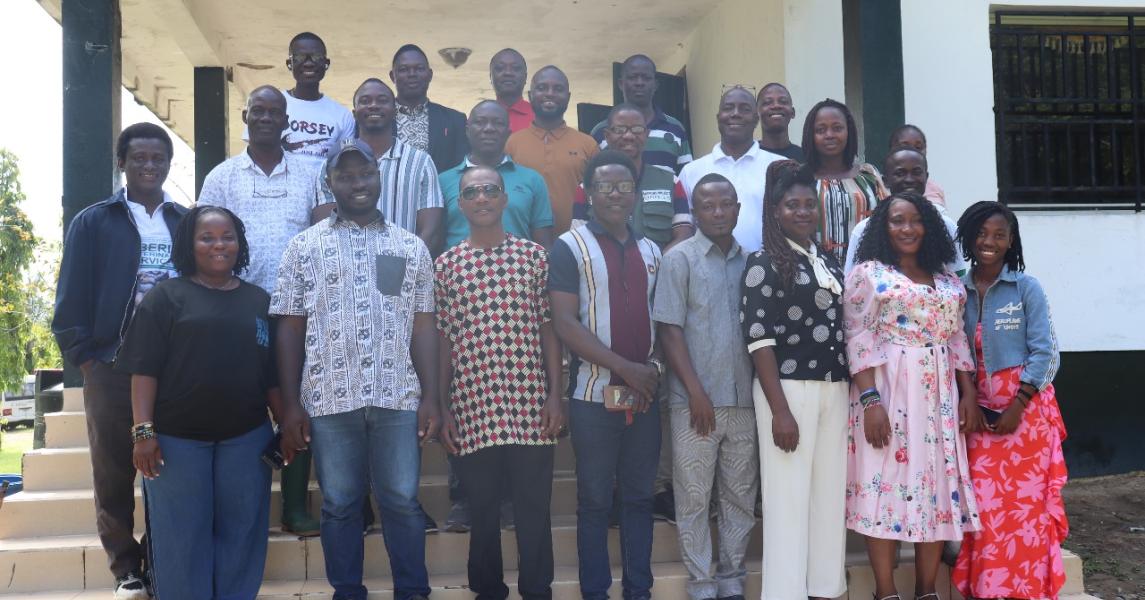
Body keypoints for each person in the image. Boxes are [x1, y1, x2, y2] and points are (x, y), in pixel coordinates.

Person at [271, 139, 440, 600]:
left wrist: (430, 397)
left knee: (402, 501)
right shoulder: (303, 248)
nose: (357, 183)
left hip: (397, 395)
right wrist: (290, 404)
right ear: (330, 182)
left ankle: (413, 591)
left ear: (379, 177)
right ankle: (347, 591)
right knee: (341, 503)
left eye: (365, 173)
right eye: (345, 176)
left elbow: (424, 327)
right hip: (328, 397)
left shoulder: (410, 247)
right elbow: (288, 329)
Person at [117, 206, 293, 600]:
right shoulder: (166, 298)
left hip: (246, 439)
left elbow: (270, 375)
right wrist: (143, 432)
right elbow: (143, 371)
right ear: (189, 244)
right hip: (177, 441)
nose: (218, 245)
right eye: (206, 237)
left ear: (239, 243)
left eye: (227, 236)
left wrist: (283, 425)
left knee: (242, 530)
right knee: (181, 535)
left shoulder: (257, 301)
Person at [52, 122, 188, 600]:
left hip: (172, 369)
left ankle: (158, 559)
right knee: (113, 471)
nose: (149, 166)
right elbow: (69, 300)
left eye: (158, 159)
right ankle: (125, 569)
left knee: (169, 467)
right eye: (139, 159)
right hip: (111, 366)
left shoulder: (182, 220)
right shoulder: (95, 221)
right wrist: (87, 361)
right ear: (122, 163)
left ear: (169, 165)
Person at [844, 191, 984, 600]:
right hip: (887, 393)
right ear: (882, 229)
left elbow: (957, 339)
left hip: (938, 397)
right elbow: (857, 336)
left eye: (915, 220)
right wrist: (871, 402)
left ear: (930, 226)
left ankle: (926, 590)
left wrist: (967, 394)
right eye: (897, 221)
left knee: (936, 489)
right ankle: (885, 592)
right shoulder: (868, 274)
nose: (907, 228)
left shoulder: (947, 280)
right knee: (882, 488)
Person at [197, 85, 323, 536]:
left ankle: (293, 505)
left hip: (300, 313)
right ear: (245, 117)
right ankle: (236, 508)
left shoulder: (312, 172)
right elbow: (202, 243)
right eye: (258, 111)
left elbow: (326, 235)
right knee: (243, 405)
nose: (267, 118)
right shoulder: (221, 177)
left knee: (297, 403)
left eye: (275, 111)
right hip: (237, 311)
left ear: (287, 120)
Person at [436, 165, 565, 600]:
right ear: (461, 204)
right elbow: (444, 342)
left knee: (533, 511)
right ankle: (488, 590)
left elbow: (549, 328)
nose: (482, 198)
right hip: (473, 408)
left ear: (505, 199)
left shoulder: (533, 257)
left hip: (530, 406)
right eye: (472, 192)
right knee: (483, 512)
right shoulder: (447, 266)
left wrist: (554, 395)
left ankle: (536, 590)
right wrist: (444, 408)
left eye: (491, 189)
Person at [549, 150, 664, 600]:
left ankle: (639, 590)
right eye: (605, 187)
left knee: (638, 499)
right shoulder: (568, 246)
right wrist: (625, 369)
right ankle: (594, 591)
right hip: (592, 398)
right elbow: (564, 323)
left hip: (645, 397)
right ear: (589, 193)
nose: (615, 195)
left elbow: (663, 321)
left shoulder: (652, 250)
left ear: (635, 194)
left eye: (624, 187)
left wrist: (650, 371)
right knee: (595, 500)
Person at [742, 160, 848, 600]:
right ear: (775, 210)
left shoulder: (827, 259)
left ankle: (825, 589)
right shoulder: (763, 261)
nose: (802, 211)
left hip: (834, 388)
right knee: (787, 503)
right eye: (792, 205)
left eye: (809, 204)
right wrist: (780, 411)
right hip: (787, 390)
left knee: (827, 500)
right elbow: (758, 340)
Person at [952, 201, 1068, 600]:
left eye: (999, 235)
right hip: (979, 419)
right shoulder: (957, 289)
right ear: (969, 236)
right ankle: (989, 592)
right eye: (982, 233)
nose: (989, 241)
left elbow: (1047, 352)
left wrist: (1017, 405)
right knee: (986, 513)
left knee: (1027, 516)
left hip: (1025, 421)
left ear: (1011, 240)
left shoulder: (1026, 287)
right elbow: (955, 351)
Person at [654, 173, 756, 600]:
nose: (717, 212)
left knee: (740, 497)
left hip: (745, 402)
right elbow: (669, 329)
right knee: (694, 498)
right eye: (708, 206)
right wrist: (695, 391)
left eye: (725, 204)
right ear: (693, 213)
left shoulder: (752, 261)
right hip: (693, 402)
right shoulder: (680, 259)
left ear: (737, 208)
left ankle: (731, 578)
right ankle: (700, 582)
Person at [313, 78, 445, 255]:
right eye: (365, 101)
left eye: (382, 101)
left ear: (394, 111)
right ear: (354, 112)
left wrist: (404, 272)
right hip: (344, 272)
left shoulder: (421, 162)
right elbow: (325, 229)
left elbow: (431, 231)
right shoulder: (331, 165)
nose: (373, 105)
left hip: (402, 272)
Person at [571, 103, 692, 249]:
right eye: (620, 129)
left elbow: (684, 236)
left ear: (646, 135)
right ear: (607, 136)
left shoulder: (671, 183)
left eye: (637, 129)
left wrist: (656, 263)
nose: (628, 136)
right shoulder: (587, 188)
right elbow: (578, 242)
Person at [680, 86, 784, 253]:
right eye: (728, 108)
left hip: (770, 271)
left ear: (756, 119)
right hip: (708, 274)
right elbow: (685, 230)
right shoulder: (691, 172)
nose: (735, 113)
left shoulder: (779, 167)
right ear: (718, 118)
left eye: (744, 109)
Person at [441, 100, 554, 249]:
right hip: (459, 269)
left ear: (508, 133)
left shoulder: (532, 180)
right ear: (467, 131)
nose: (489, 129)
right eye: (480, 122)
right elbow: (436, 238)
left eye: (498, 123)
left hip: (520, 269)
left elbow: (543, 244)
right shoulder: (442, 181)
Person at [843, 147, 966, 276]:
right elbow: (853, 286)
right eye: (900, 173)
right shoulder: (864, 230)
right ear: (885, 181)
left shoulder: (946, 226)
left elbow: (959, 281)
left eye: (916, 172)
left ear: (926, 177)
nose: (909, 179)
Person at [506, 65, 599, 235]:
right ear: (530, 95)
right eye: (542, 88)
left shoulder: (588, 145)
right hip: (524, 246)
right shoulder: (512, 144)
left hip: (577, 246)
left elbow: (598, 198)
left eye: (558, 89)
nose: (550, 93)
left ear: (568, 97)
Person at [243, 32, 355, 164]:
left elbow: (345, 162)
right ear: (289, 63)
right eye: (299, 57)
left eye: (317, 57)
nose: (308, 63)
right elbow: (256, 151)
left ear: (326, 63)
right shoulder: (270, 106)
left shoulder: (342, 115)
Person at [801, 98, 888, 263]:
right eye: (821, 129)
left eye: (837, 128)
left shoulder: (869, 177)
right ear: (811, 135)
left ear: (849, 132)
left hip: (865, 277)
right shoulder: (801, 179)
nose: (829, 135)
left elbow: (886, 226)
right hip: (815, 278)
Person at [591, 54, 692, 174]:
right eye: (633, 77)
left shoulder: (675, 128)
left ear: (655, 85)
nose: (639, 83)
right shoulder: (601, 131)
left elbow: (687, 177)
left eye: (646, 78)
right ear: (620, 84)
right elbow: (594, 180)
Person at [391, 44, 469, 173]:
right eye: (404, 69)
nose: (412, 74)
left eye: (419, 68)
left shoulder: (455, 120)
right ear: (392, 76)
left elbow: (461, 170)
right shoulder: (378, 120)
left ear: (430, 75)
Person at [889, 124, 945, 207]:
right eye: (905, 146)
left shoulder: (935, 190)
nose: (912, 151)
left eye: (918, 147)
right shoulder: (878, 190)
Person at [756, 83, 804, 161]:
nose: (776, 106)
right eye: (768, 102)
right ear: (756, 114)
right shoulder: (747, 156)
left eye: (783, 102)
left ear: (793, 112)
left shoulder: (806, 158)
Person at [490, 48, 534, 133]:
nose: (508, 73)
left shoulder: (541, 118)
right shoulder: (479, 118)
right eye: (500, 68)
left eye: (516, 68)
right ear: (490, 77)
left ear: (525, 77)